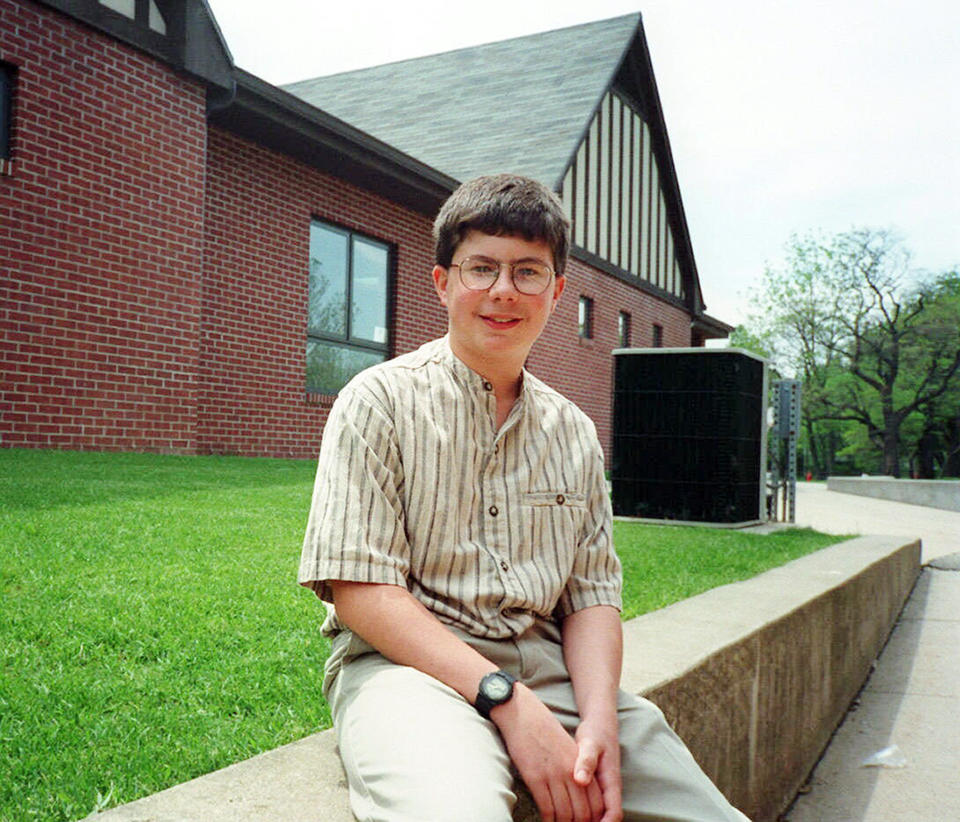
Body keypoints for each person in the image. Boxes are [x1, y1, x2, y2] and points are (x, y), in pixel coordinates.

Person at [299, 174, 750, 822]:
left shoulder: (574, 433)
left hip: (552, 673)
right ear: (442, 283)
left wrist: (600, 722)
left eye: (528, 272)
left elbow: (592, 598)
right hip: (405, 672)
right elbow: (360, 590)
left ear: (558, 291)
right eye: (480, 267)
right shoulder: (376, 403)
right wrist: (504, 700)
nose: (503, 291)